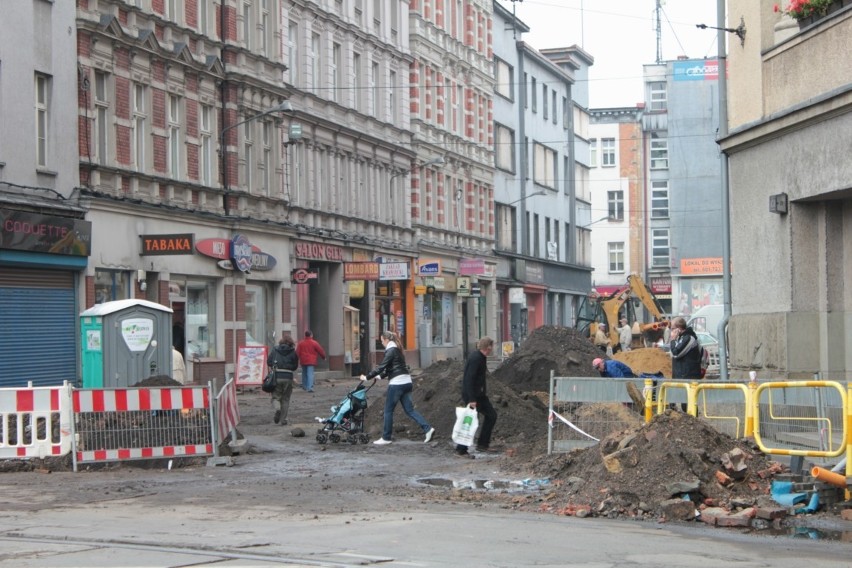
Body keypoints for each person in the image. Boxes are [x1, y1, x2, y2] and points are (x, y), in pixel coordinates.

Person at [361, 331, 435, 445]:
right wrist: (379, 376)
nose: (382, 343)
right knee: (410, 410)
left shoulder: (390, 350)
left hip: (397, 384)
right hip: (407, 383)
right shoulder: (398, 350)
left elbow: (382, 366)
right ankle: (428, 429)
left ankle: (386, 438)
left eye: (382, 341)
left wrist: (367, 377)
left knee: (388, 411)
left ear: (386, 340)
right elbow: (392, 368)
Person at [456, 336, 498, 458]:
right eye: (491, 347)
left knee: (491, 416)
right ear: (488, 347)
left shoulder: (481, 357)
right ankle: (461, 450)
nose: (492, 349)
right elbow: (469, 379)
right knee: (469, 421)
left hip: (479, 395)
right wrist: (471, 399)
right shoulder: (476, 358)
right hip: (473, 396)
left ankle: (482, 444)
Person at [267, 335, 299, 425]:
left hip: (277, 376)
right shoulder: (293, 352)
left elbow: (269, 362)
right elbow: (295, 366)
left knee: (275, 397)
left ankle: (277, 409)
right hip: (288, 377)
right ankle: (283, 420)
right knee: (285, 399)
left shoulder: (275, 350)